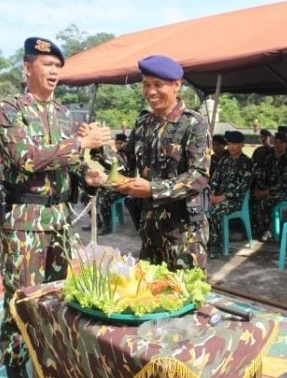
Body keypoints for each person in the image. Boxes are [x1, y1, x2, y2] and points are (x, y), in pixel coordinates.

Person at [0, 36, 111, 378]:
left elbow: (68, 163)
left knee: (60, 300)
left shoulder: (61, 113)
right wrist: (78, 144)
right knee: (21, 302)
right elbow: (25, 158)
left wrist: (87, 171)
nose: (54, 72)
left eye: (58, 67)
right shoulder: (10, 109)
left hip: (59, 221)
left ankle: (53, 364)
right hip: (24, 224)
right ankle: (17, 371)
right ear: (27, 68)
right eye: (47, 65)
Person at [110, 55, 211, 271]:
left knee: (186, 297)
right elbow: (125, 161)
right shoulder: (143, 123)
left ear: (177, 86)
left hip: (184, 234)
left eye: (158, 85)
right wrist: (100, 150)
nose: (150, 92)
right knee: (150, 296)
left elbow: (199, 175)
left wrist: (152, 189)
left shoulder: (193, 124)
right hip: (149, 230)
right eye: (146, 85)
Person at [207, 130, 253, 258]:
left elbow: (243, 186)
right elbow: (215, 178)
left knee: (215, 210)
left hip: (235, 200)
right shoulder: (224, 160)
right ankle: (203, 241)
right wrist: (211, 194)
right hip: (218, 197)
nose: (231, 147)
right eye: (230, 144)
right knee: (198, 206)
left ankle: (215, 246)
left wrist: (222, 197)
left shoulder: (246, 162)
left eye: (235, 144)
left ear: (241, 144)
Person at [95, 133, 129, 234]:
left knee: (104, 198)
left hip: (123, 187)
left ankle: (107, 227)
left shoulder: (126, 155)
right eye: (116, 143)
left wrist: (101, 159)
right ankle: (97, 221)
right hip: (112, 184)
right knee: (91, 193)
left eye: (120, 143)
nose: (118, 145)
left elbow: (115, 166)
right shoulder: (116, 154)